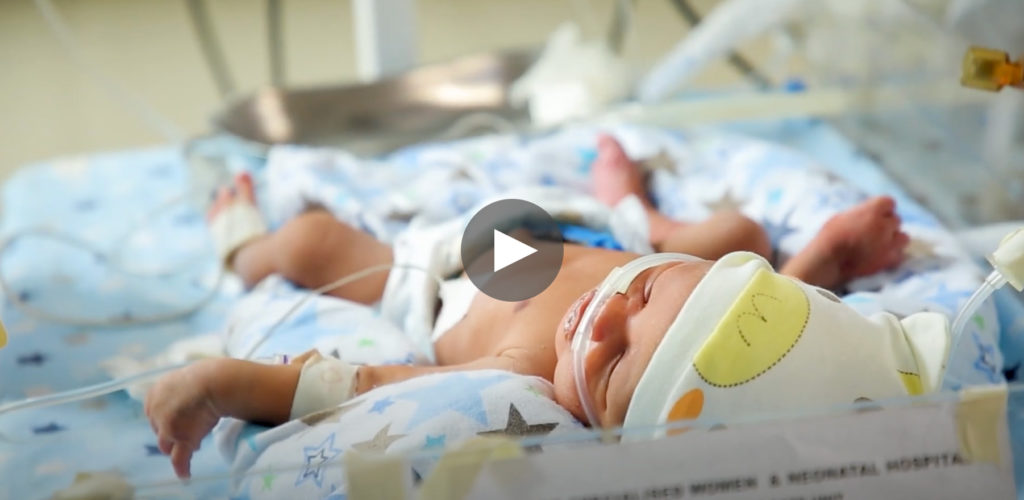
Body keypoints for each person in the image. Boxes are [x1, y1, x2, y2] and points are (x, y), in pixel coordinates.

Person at [146, 135, 938, 479]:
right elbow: (761, 342)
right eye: (643, 298)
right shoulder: (659, 289)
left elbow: (365, 385)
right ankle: (636, 205)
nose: (599, 320)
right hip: (579, 234)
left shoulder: (525, 375)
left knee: (312, 240)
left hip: (438, 273)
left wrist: (230, 383)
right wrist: (808, 270)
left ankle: (241, 249)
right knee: (740, 234)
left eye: (614, 365)